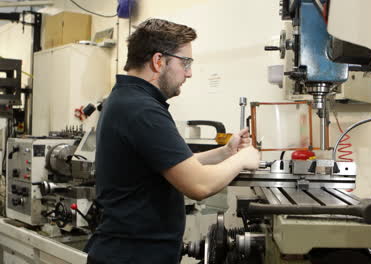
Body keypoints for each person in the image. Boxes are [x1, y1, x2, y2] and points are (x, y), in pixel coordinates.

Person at [84, 18, 260, 264]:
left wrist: (225, 153)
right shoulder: (142, 110)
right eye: (185, 62)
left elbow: (170, 164)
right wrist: (243, 159)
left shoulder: (127, 99)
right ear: (158, 61)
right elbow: (199, 186)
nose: (189, 72)